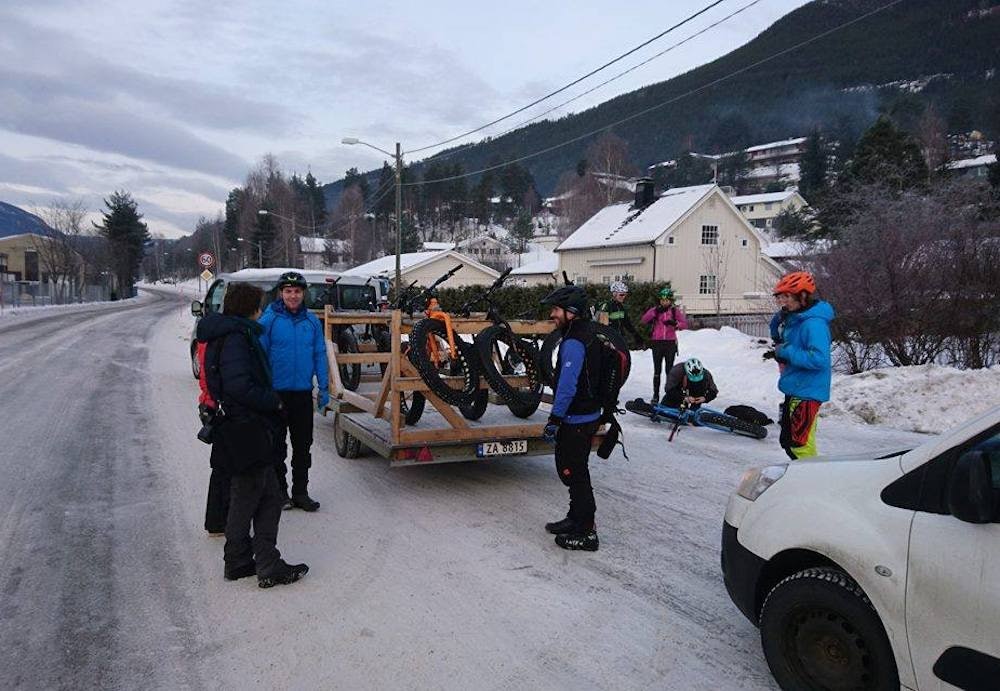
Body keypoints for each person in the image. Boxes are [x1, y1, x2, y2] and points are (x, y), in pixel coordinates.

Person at [200, 282, 309, 588]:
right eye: (258, 305)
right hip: (245, 427)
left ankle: (239, 561)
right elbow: (238, 387)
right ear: (248, 307)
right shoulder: (236, 338)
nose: (261, 310)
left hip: (238, 428)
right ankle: (266, 564)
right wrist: (271, 400)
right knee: (264, 496)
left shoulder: (227, 333)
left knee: (250, 496)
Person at [259, 271, 330, 512]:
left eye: (297, 291)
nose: (293, 295)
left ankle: (300, 492)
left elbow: (320, 353)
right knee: (276, 446)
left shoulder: (311, 321)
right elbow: (259, 356)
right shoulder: (269, 320)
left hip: (301, 394)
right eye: (288, 291)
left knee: (303, 446)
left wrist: (324, 386)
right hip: (276, 394)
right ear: (281, 293)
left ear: (303, 294)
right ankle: (279, 493)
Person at [540, 285, 603, 552]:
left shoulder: (575, 341)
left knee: (575, 473)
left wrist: (554, 419)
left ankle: (587, 532)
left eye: (556, 310)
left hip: (576, 419)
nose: (552, 315)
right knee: (576, 471)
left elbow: (567, 385)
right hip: (587, 414)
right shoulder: (587, 333)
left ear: (571, 312)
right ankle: (575, 518)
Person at [767, 271, 834, 459]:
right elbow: (783, 338)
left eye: (787, 296)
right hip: (797, 387)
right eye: (781, 297)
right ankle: (803, 481)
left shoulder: (814, 324)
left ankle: (813, 484)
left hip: (807, 391)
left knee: (800, 446)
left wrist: (786, 351)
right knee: (789, 443)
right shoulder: (796, 319)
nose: (783, 301)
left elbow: (818, 358)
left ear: (802, 296)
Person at [196, 338, 228, 536]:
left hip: (213, 406)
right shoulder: (225, 338)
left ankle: (217, 520)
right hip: (222, 407)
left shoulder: (213, 334)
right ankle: (219, 521)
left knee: (221, 466)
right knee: (225, 467)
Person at [641, 287, 688, 404]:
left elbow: (684, 325)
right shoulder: (656, 310)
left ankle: (669, 394)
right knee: (657, 371)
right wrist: (654, 312)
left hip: (670, 343)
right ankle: (655, 395)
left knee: (669, 371)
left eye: (666, 300)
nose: (664, 302)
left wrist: (675, 323)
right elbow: (644, 320)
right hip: (657, 343)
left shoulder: (674, 311)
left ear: (670, 301)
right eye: (662, 300)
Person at [596, 280, 642, 347]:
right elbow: (602, 326)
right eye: (621, 294)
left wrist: (636, 335)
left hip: (620, 339)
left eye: (625, 295)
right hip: (610, 340)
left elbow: (627, 323)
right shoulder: (606, 306)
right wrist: (606, 341)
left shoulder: (621, 307)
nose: (623, 297)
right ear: (614, 294)